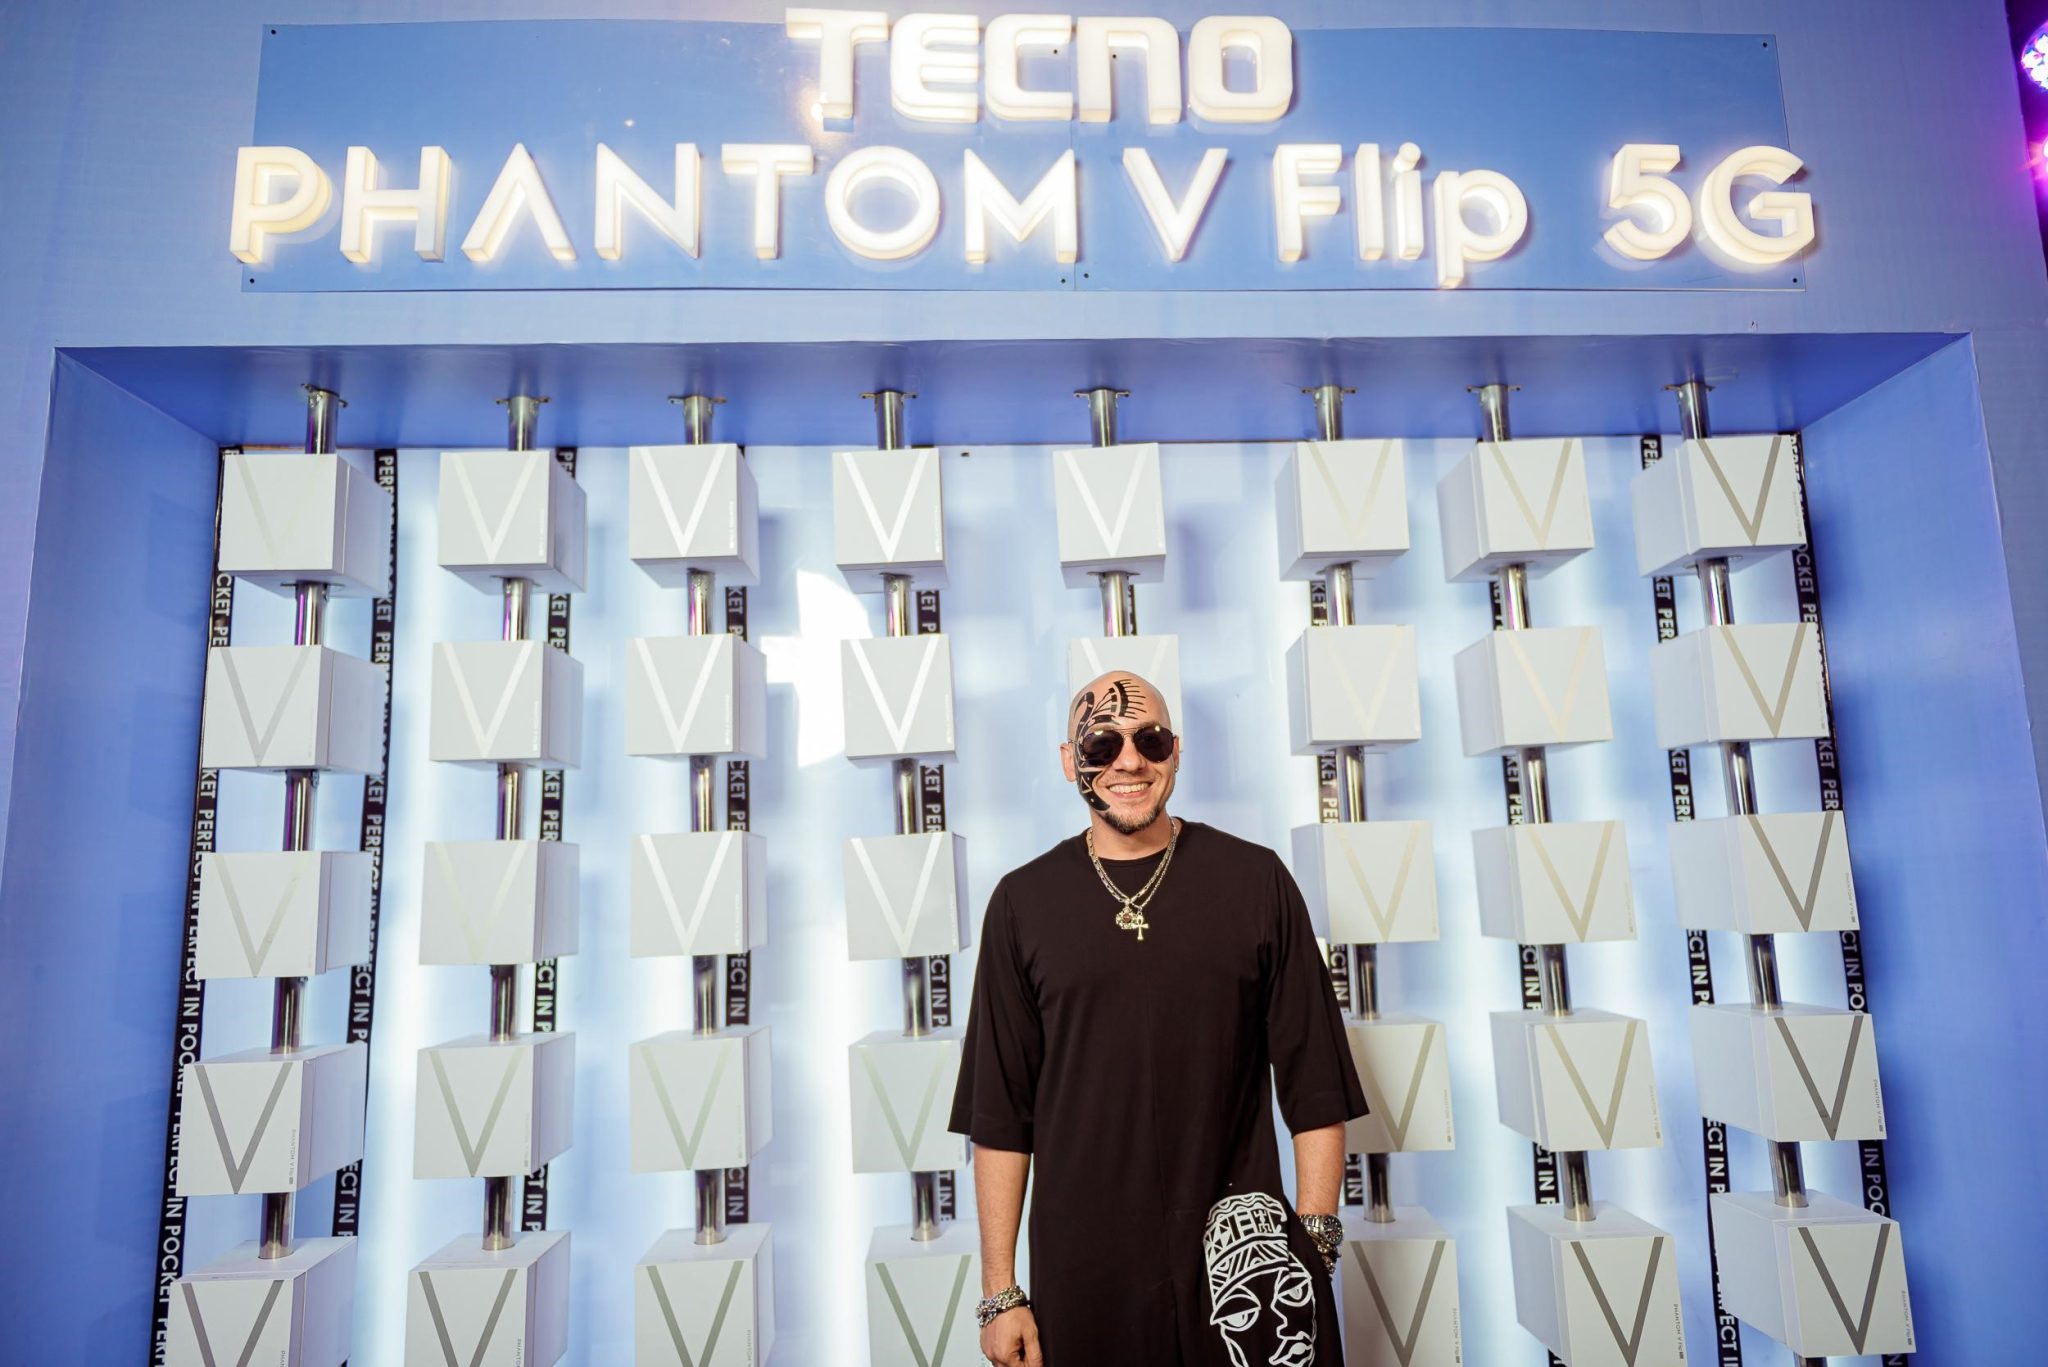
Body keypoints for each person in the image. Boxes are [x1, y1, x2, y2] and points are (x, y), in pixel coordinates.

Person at [947, 671, 1368, 1367]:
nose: (1129, 762)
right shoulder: (1022, 904)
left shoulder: (1256, 881)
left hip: (1242, 1266)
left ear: (1176, 751)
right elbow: (1000, 1115)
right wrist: (1001, 1293)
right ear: (1069, 761)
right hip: (1086, 1275)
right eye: (1102, 745)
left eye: (1150, 740)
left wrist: (1315, 1245)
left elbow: (1315, 1081)